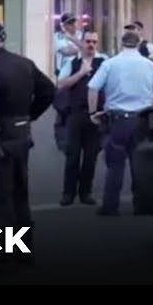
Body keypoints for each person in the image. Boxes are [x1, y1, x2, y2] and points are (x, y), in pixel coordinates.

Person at [0, 21, 55, 270]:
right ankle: (25, 252)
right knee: (20, 194)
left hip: (0, 139)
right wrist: (28, 116)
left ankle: (5, 256)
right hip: (21, 135)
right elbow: (48, 90)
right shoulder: (23, 63)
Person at [87, 31, 153, 215]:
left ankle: (110, 206)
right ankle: (142, 205)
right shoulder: (150, 65)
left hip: (117, 119)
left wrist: (92, 112)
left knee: (115, 164)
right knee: (140, 164)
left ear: (120, 43)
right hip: (142, 119)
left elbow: (93, 88)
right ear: (138, 44)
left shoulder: (110, 64)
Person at [57, 30, 108, 206]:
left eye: (94, 42)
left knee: (90, 157)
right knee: (72, 156)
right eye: (88, 41)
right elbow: (61, 83)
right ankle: (68, 193)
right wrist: (80, 73)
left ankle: (85, 192)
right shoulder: (73, 62)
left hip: (96, 115)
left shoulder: (104, 62)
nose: (91, 45)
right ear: (82, 42)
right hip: (76, 114)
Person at [53, 13, 84, 152]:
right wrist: (80, 47)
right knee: (63, 108)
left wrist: (77, 44)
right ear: (63, 25)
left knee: (77, 107)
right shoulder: (58, 36)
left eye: (74, 22)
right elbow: (66, 51)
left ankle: (77, 140)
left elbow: (89, 48)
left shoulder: (81, 34)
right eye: (69, 23)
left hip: (79, 74)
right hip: (64, 76)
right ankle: (63, 143)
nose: (73, 25)